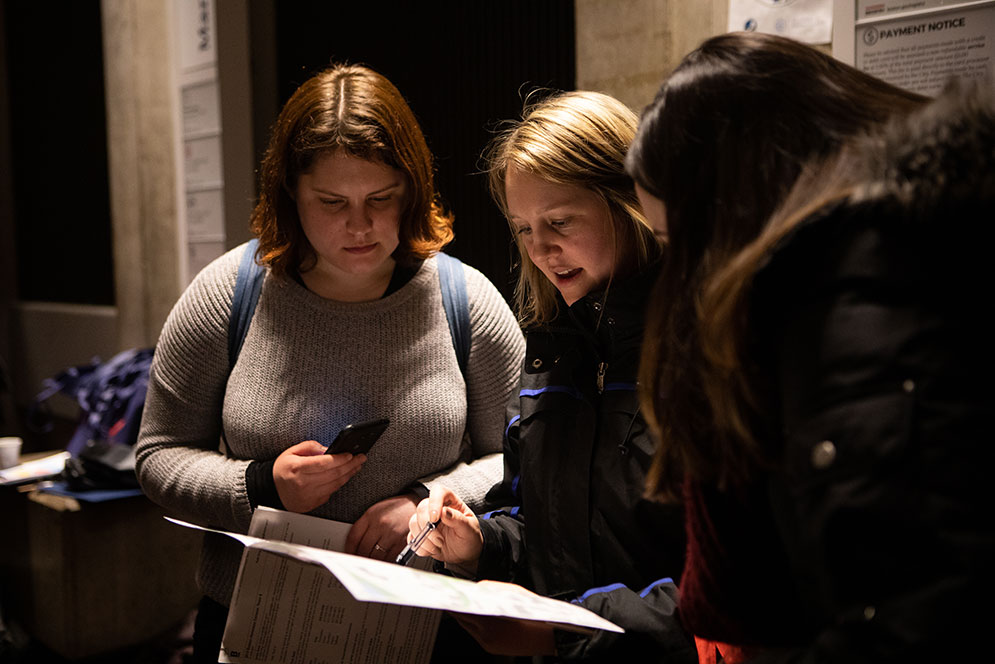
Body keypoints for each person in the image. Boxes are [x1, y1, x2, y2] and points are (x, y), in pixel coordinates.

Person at [135, 63, 525, 663]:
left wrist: (429, 503)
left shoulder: (465, 301)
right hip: (262, 625)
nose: (360, 225)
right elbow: (158, 457)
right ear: (290, 192)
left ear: (412, 190)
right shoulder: (228, 295)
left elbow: (519, 459)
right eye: (332, 202)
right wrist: (261, 485)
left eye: (381, 199)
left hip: (428, 630)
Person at [628, 32, 993, 662]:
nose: (678, 276)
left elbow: (916, 609)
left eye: (678, 241)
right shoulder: (894, 265)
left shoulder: (858, 310)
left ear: (734, 211)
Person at [407, 90, 695, 662]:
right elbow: (539, 525)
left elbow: (727, 585)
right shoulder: (553, 348)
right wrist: (480, 542)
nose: (540, 249)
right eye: (522, 228)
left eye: (559, 221)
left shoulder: (701, 351)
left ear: (630, 204)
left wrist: (572, 632)